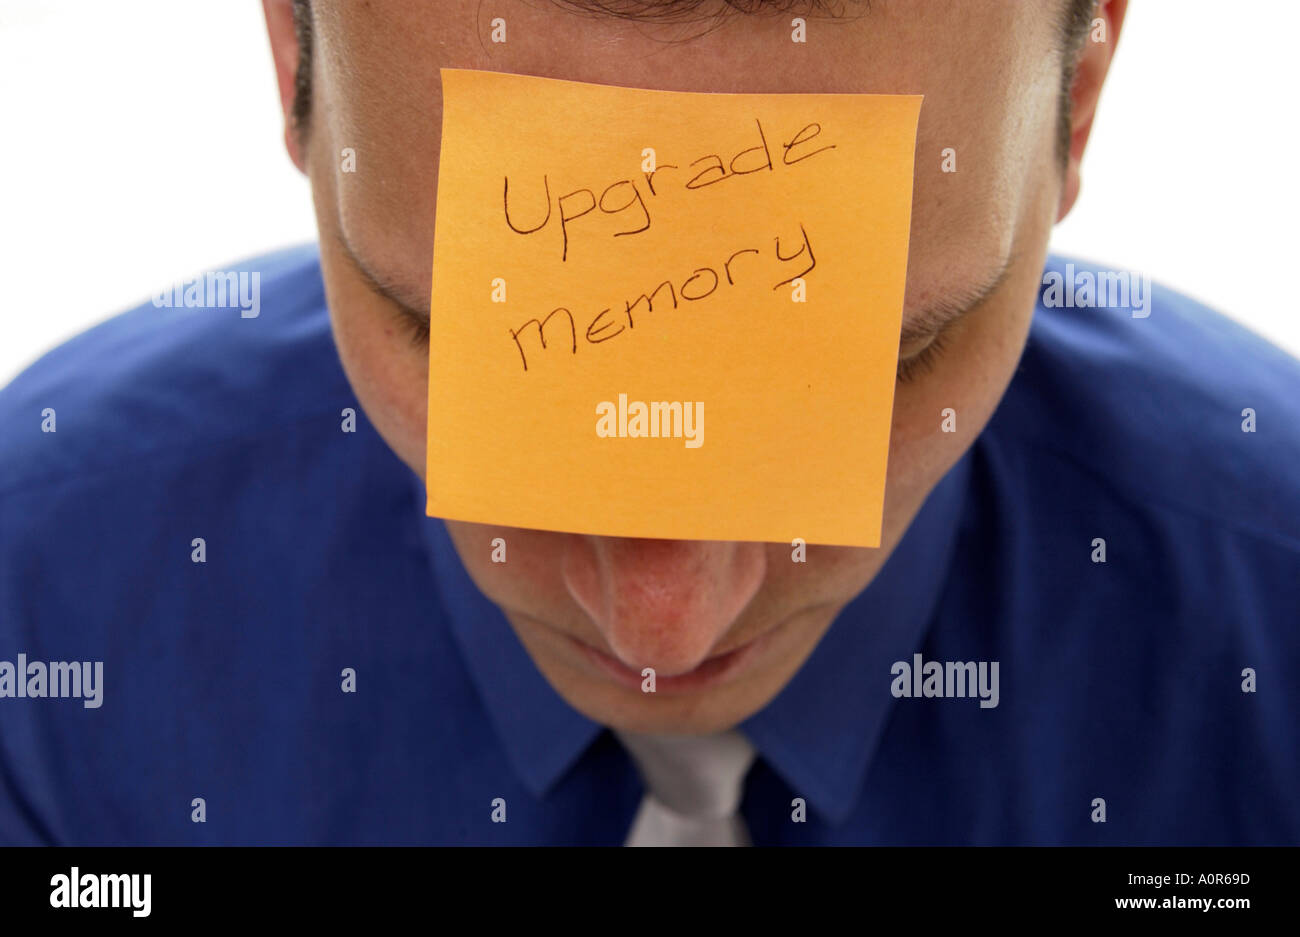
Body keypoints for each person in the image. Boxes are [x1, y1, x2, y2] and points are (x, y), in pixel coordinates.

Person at [0, 0, 1296, 846]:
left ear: (1078, 98)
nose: (661, 619)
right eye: (466, 337)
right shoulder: (42, 627)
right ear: (292, 60)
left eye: (879, 357)